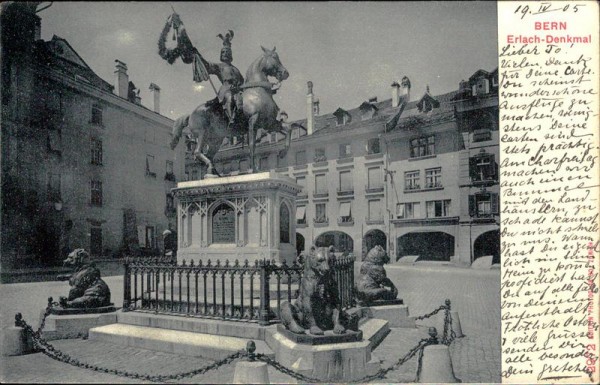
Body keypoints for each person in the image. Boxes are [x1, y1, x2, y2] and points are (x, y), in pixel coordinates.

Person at [168, 14, 244, 127]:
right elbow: (207, 65)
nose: (226, 54)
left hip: (238, 90)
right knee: (229, 97)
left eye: (228, 52)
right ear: (221, 55)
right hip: (226, 90)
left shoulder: (236, 69)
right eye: (223, 52)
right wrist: (197, 54)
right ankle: (231, 119)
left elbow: (243, 82)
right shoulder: (219, 66)